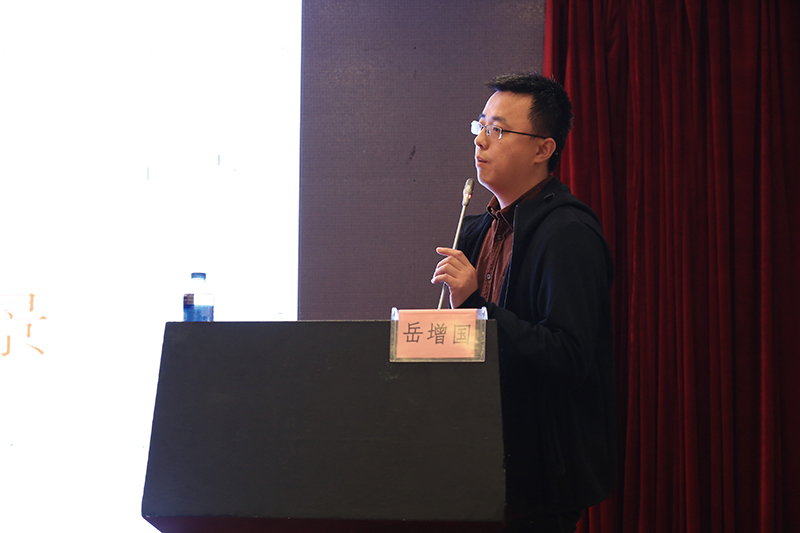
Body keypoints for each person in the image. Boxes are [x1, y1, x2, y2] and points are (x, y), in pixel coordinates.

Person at [431, 72, 616, 533]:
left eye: (497, 130)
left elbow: (569, 356)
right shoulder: (476, 230)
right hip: (469, 457)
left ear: (543, 149)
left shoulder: (568, 233)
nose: (480, 141)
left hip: (537, 477)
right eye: (480, 126)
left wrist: (476, 306)